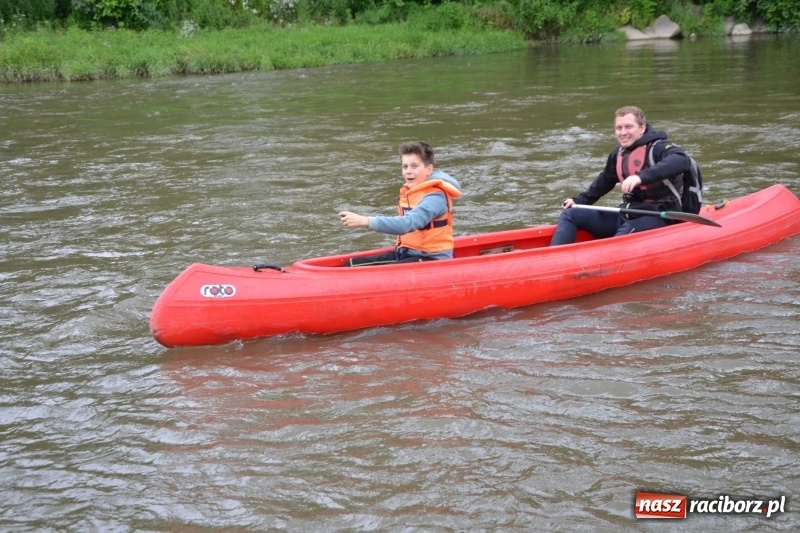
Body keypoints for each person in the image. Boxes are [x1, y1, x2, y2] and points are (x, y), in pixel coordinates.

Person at [550, 106, 692, 246]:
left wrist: (640, 177)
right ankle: (554, 259)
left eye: (628, 127)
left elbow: (681, 160)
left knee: (627, 230)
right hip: (628, 213)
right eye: (619, 128)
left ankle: (605, 259)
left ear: (642, 128)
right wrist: (580, 201)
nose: (623, 132)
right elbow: (604, 181)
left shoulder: (659, 148)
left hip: (660, 216)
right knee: (570, 214)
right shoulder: (619, 154)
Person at [339, 141, 462, 266]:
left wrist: (365, 221)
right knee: (352, 264)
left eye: (414, 166)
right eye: (405, 166)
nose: (408, 171)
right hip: (407, 252)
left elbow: (407, 224)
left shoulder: (435, 197)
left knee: (362, 270)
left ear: (429, 169)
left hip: (432, 259)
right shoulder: (411, 190)